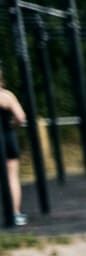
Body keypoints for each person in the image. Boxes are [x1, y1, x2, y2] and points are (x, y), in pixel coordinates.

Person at [0, 71, 28, 226]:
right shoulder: (7, 96)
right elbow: (20, 116)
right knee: (12, 176)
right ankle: (15, 213)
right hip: (7, 137)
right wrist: (12, 125)